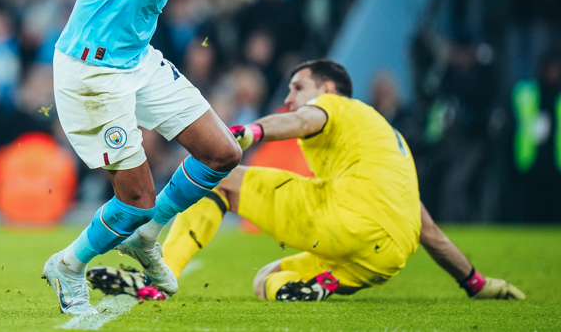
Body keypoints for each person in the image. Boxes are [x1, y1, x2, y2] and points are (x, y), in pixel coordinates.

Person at [42, 0, 276, 315]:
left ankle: (144, 234)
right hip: (93, 71)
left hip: (134, 58)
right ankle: (68, 263)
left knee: (223, 152)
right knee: (135, 198)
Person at [133, 59, 523, 301]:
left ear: (327, 90)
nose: (289, 98)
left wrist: (252, 131)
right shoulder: (386, 140)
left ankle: (161, 275)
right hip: (387, 256)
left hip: (348, 218)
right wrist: (474, 281)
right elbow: (429, 230)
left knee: (220, 180)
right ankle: (317, 286)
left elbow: (301, 120)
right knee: (266, 280)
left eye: (298, 88)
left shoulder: (332, 106)